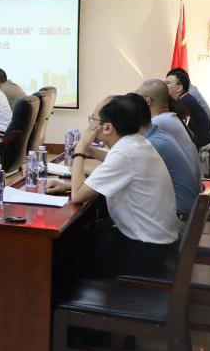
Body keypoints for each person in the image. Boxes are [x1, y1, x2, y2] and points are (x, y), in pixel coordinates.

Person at [46, 96, 178, 278]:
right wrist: (87, 156)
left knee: (62, 256)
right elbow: (114, 163)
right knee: (79, 237)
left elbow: (77, 196)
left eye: (93, 119)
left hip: (144, 250)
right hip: (155, 240)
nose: (90, 125)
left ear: (107, 127)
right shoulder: (137, 143)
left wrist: (80, 150)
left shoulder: (124, 153)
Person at [125, 93, 201, 218]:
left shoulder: (153, 138)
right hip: (187, 209)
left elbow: (122, 163)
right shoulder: (159, 132)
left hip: (178, 218)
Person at [137, 79, 200, 179]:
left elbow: (136, 149)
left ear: (147, 101)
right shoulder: (169, 118)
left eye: (137, 98)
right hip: (193, 182)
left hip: (184, 187)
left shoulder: (158, 122)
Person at [164, 70, 210, 149]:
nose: (164, 86)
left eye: (167, 83)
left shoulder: (184, 101)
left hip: (202, 148)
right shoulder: (186, 98)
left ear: (179, 88)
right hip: (203, 143)